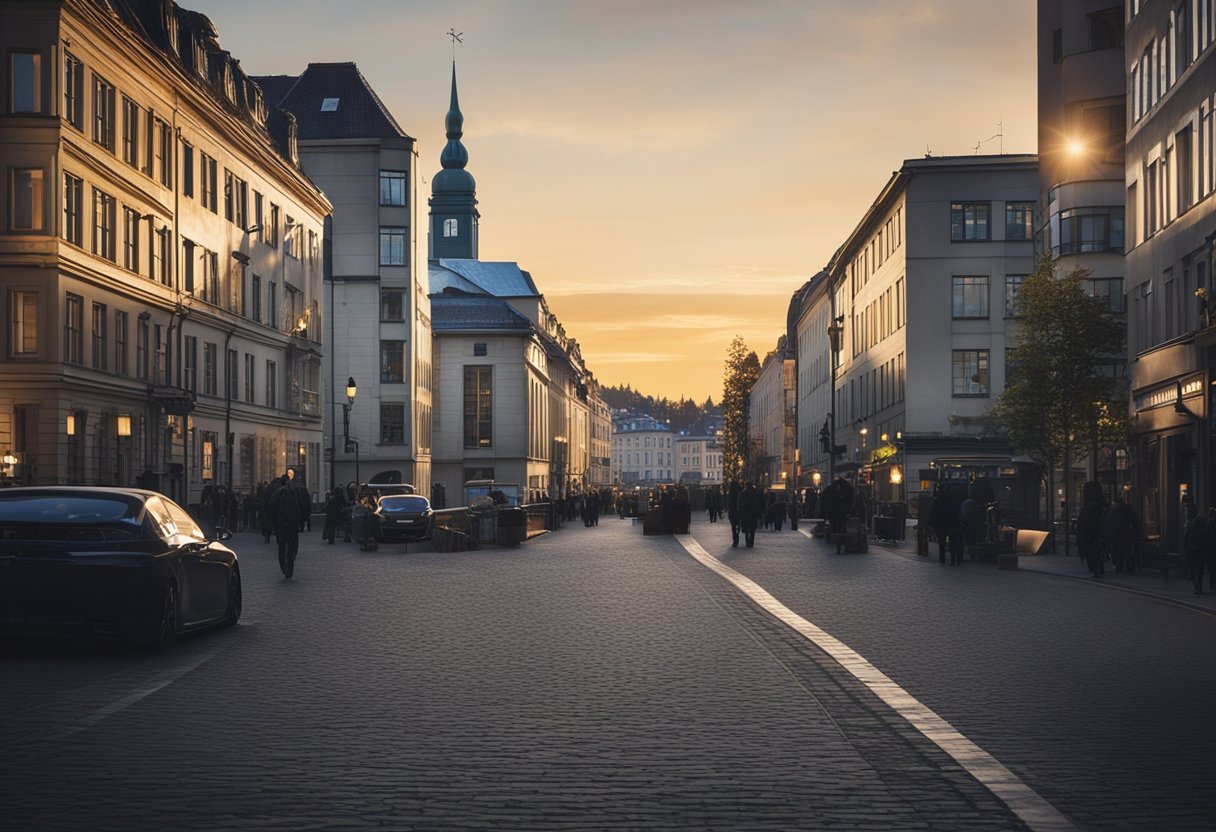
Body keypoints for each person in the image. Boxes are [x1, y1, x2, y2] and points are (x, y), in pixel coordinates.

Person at [270, 473, 303, 578]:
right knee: (292, 544)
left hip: (281, 523)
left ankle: (284, 566)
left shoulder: (278, 493)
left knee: (282, 545)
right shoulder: (294, 492)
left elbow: (272, 507)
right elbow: (299, 507)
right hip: (292, 523)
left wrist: (273, 522)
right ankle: (290, 564)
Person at [1077, 480, 1106, 578]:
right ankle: (1098, 565)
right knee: (1096, 548)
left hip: (1089, 534)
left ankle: (1094, 566)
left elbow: (1081, 525)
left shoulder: (1086, 509)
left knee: (1091, 548)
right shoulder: (1100, 507)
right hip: (1097, 532)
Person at [1184, 503, 1210, 594]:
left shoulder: (1191, 524)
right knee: (1199, 568)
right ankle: (1198, 586)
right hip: (1200, 549)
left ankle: (1197, 585)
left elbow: (1187, 538)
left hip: (1194, 549)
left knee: (1195, 568)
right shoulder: (1201, 521)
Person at [928, 484, 955, 565]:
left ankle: (942, 558)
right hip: (950, 523)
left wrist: (931, 523)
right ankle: (953, 559)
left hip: (940, 523)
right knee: (952, 541)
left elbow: (934, 512)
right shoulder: (951, 499)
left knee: (941, 542)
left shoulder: (938, 499)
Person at [739, 481, 762, 547]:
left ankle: (747, 541)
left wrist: (741, 510)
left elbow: (741, 502)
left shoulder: (743, 493)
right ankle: (751, 542)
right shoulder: (755, 492)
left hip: (746, 512)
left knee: (746, 527)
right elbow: (758, 502)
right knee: (752, 528)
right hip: (753, 512)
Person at [727, 479, 742, 547]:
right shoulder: (739, 491)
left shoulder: (730, 492)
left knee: (733, 525)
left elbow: (729, 502)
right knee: (737, 524)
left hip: (732, 511)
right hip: (738, 511)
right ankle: (737, 534)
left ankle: (735, 538)